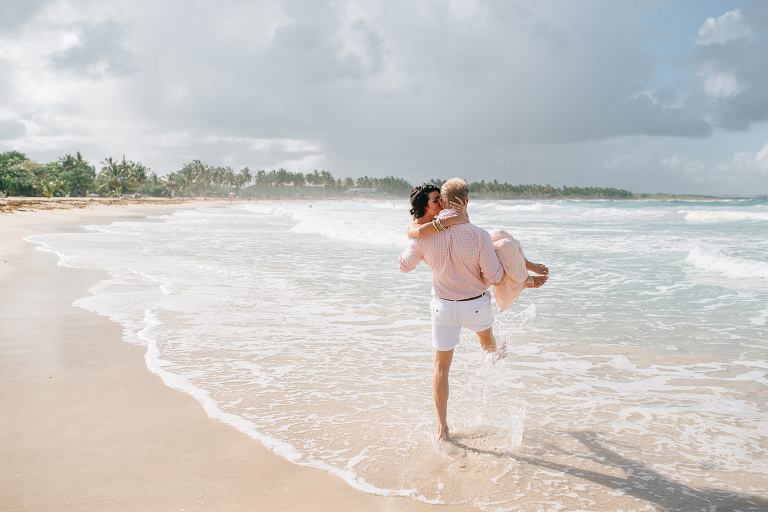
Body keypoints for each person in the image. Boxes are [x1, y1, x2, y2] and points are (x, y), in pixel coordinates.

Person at [399, 178, 506, 440]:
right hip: (475, 306)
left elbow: (404, 266)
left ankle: (442, 428)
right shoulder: (479, 234)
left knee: (440, 368)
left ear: (443, 203)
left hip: (443, 309)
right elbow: (495, 277)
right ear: (466, 202)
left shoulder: (425, 235)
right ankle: (494, 353)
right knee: (487, 340)